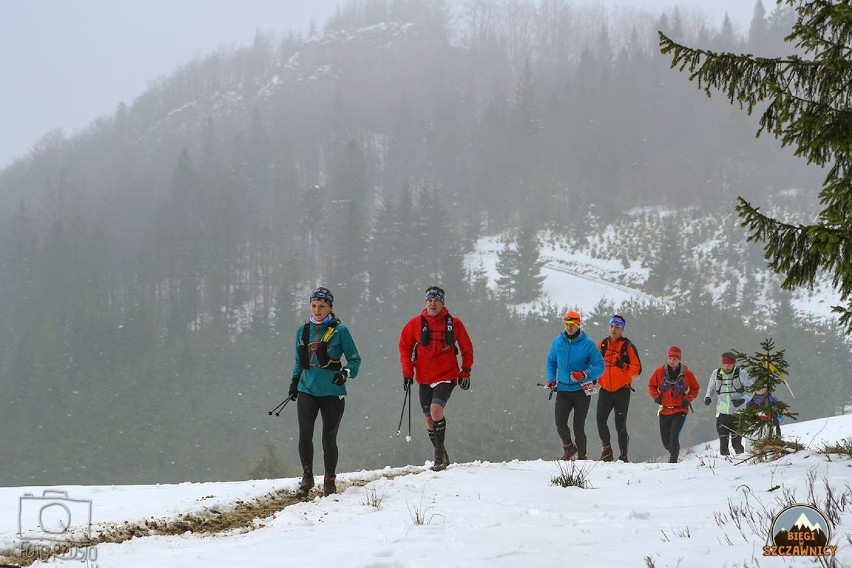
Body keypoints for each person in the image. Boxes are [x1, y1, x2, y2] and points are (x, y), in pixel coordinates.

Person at [289, 287, 361, 497]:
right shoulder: (302, 331)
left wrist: (345, 372)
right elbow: (297, 361)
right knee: (305, 435)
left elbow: (355, 360)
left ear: (330, 307)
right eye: (313, 305)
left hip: (332, 391)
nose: (317, 310)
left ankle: (329, 480)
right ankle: (307, 477)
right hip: (307, 389)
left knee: (328, 438)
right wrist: (294, 382)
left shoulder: (341, 331)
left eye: (322, 306)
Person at [399, 285, 474, 472]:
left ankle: (438, 457)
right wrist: (407, 373)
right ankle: (443, 454)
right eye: (430, 300)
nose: (433, 304)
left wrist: (465, 371)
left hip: (447, 375)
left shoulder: (454, 323)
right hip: (424, 377)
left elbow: (467, 348)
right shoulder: (415, 323)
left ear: (443, 303)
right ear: (426, 302)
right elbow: (404, 347)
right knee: (429, 419)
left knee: (435, 409)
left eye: (436, 300)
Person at [545, 310, 605, 461]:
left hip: (581, 391)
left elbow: (600, 365)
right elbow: (551, 361)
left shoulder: (588, 343)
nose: (569, 327)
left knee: (578, 426)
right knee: (560, 423)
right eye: (567, 324)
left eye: (572, 324)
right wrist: (552, 379)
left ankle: (582, 457)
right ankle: (569, 447)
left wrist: (585, 374)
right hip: (563, 389)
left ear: (579, 324)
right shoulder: (558, 341)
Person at [596, 314, 642, 462]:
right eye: (612, 326)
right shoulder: (602, 345)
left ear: (622, 329)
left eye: (617, 327)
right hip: (604, 390)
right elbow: (593, 365)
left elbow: (638, 370)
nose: (614, 329)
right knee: (600, 420)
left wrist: (624, 366)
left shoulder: (628, 346)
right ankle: (607, 450)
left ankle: (623, 455)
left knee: (619, 424)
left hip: (622, 390)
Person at [647, 345, 700, 463]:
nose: (672, 361)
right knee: (666, 442)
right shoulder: (659, 372)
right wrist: (655, 396)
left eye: (675, 358)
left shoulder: (687, 374)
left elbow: (695, 388)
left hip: (680, 410)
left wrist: (688, 398)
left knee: (673, 436)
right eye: (670, 358)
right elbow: (651, 385)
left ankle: (673, 460)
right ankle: (673, 451)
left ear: (679, 359)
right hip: (664, 410)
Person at [703, 352, 750, 456]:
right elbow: (710, 387)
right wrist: (708, 397)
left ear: (734, 364)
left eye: (729, 365)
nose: (726, 367)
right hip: (721, 413)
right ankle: (724, 467)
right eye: (724, 365)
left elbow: (752, 391)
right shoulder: (716, 373)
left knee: (736, 444)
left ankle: (741, 462)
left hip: (738, 413)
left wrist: (742, 400)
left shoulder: (742, 374)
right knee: (723, 445)